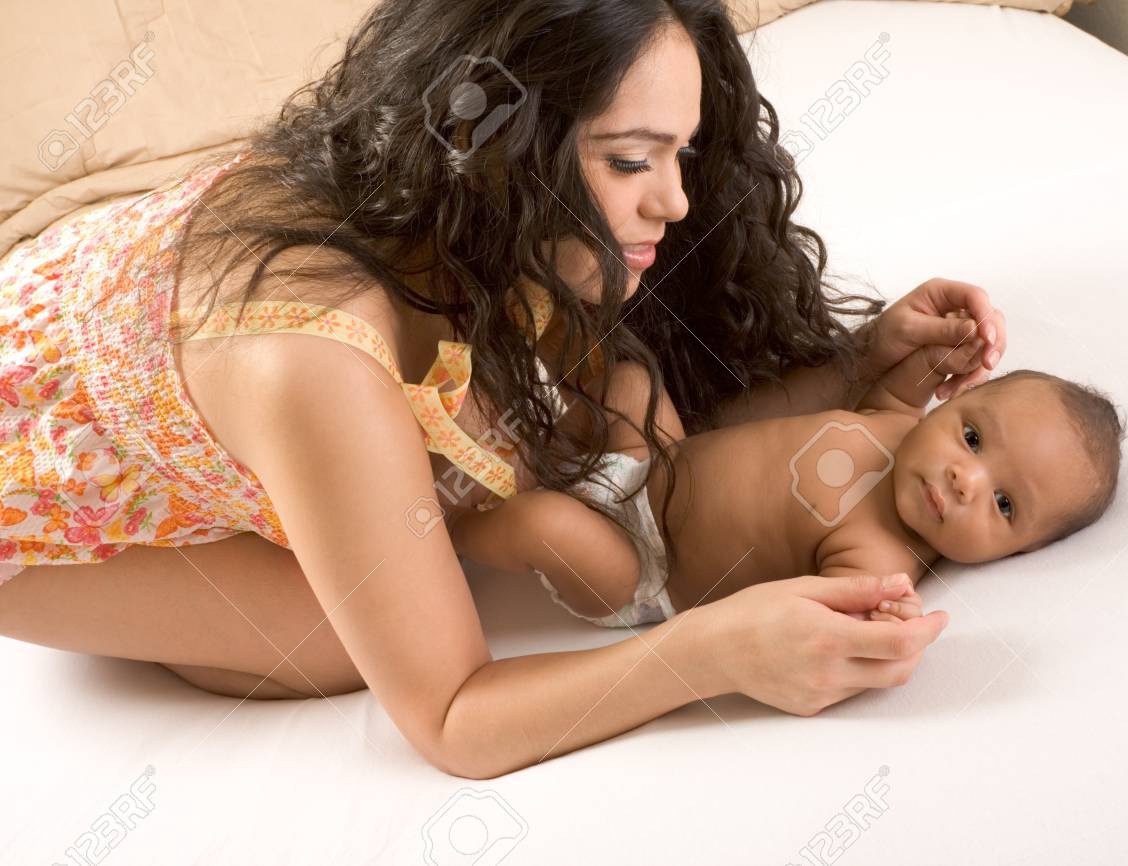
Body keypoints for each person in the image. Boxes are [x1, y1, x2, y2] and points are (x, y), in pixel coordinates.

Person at [0, 0, 1004, 779]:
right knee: (328, 638)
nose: (677, 200)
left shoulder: (476, 228)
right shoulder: (316, 357)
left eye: (679, 153)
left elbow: (647, 460)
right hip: (32, 463)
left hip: (161, 342)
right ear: (496, 156)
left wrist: (859, 365)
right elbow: (447, 716)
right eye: (629, 159)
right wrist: (715, 653)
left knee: (503, 468)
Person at [452, 332, 1124, 628]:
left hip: (644, 568)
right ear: (951, 400)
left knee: (543, 525)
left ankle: (452, 531)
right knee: (628, 375)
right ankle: (542, 442)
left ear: (1021, 551)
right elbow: (892, 388)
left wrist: (872, 617)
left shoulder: (882, 559)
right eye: (974, 437)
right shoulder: (899, 426)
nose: (965, 478)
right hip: (654, 463)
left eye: (1004, 504)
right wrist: (938, 347)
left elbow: (815, 614)